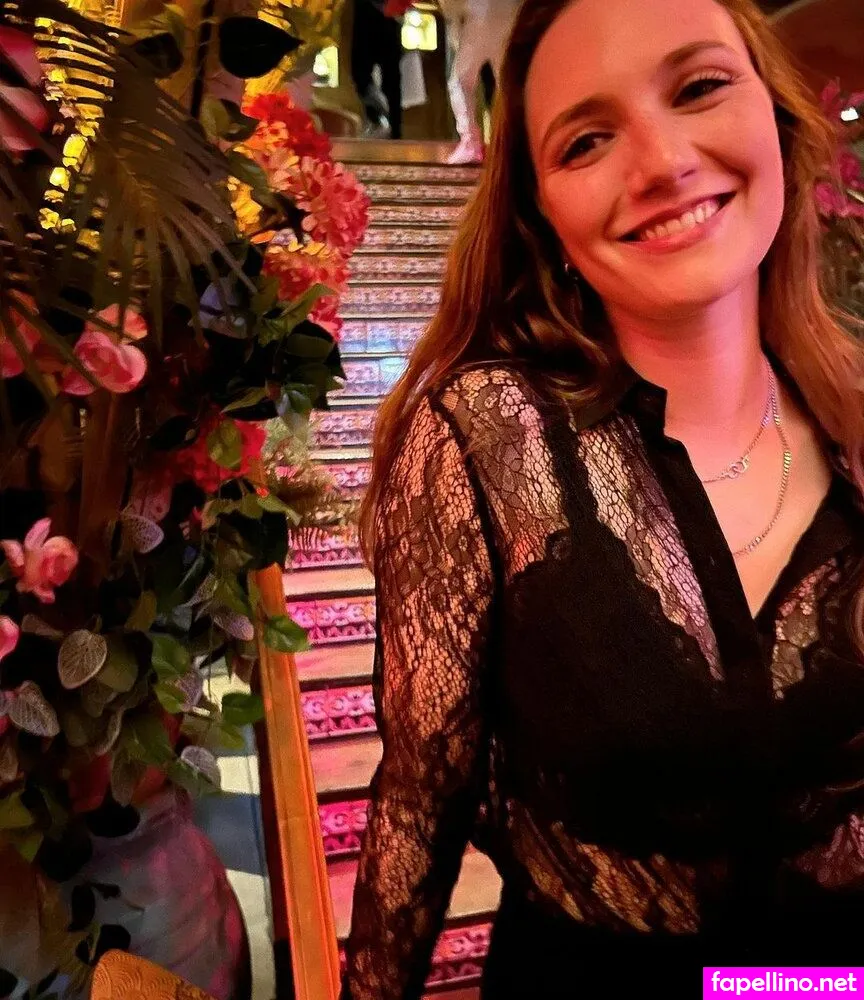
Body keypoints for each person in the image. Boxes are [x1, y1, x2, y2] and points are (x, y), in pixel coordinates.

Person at [340, 0, 864, 996]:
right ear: (540, 209)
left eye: (699, 87)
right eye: (586, 140)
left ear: (778, 115)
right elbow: (419, 797)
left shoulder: (855, 423)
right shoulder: (487, 441)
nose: (661, 162)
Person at [444, 0, 519, 162]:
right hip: (508, 10)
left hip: (478, 11)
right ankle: (515, 141)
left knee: (460, 82)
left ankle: (470, 143)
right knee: (506, 81)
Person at [351, 0, 404, 139]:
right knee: (361, 74)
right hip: (368, 12)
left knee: (390, 78)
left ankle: (392, 129)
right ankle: (378, 118)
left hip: (389, 15)